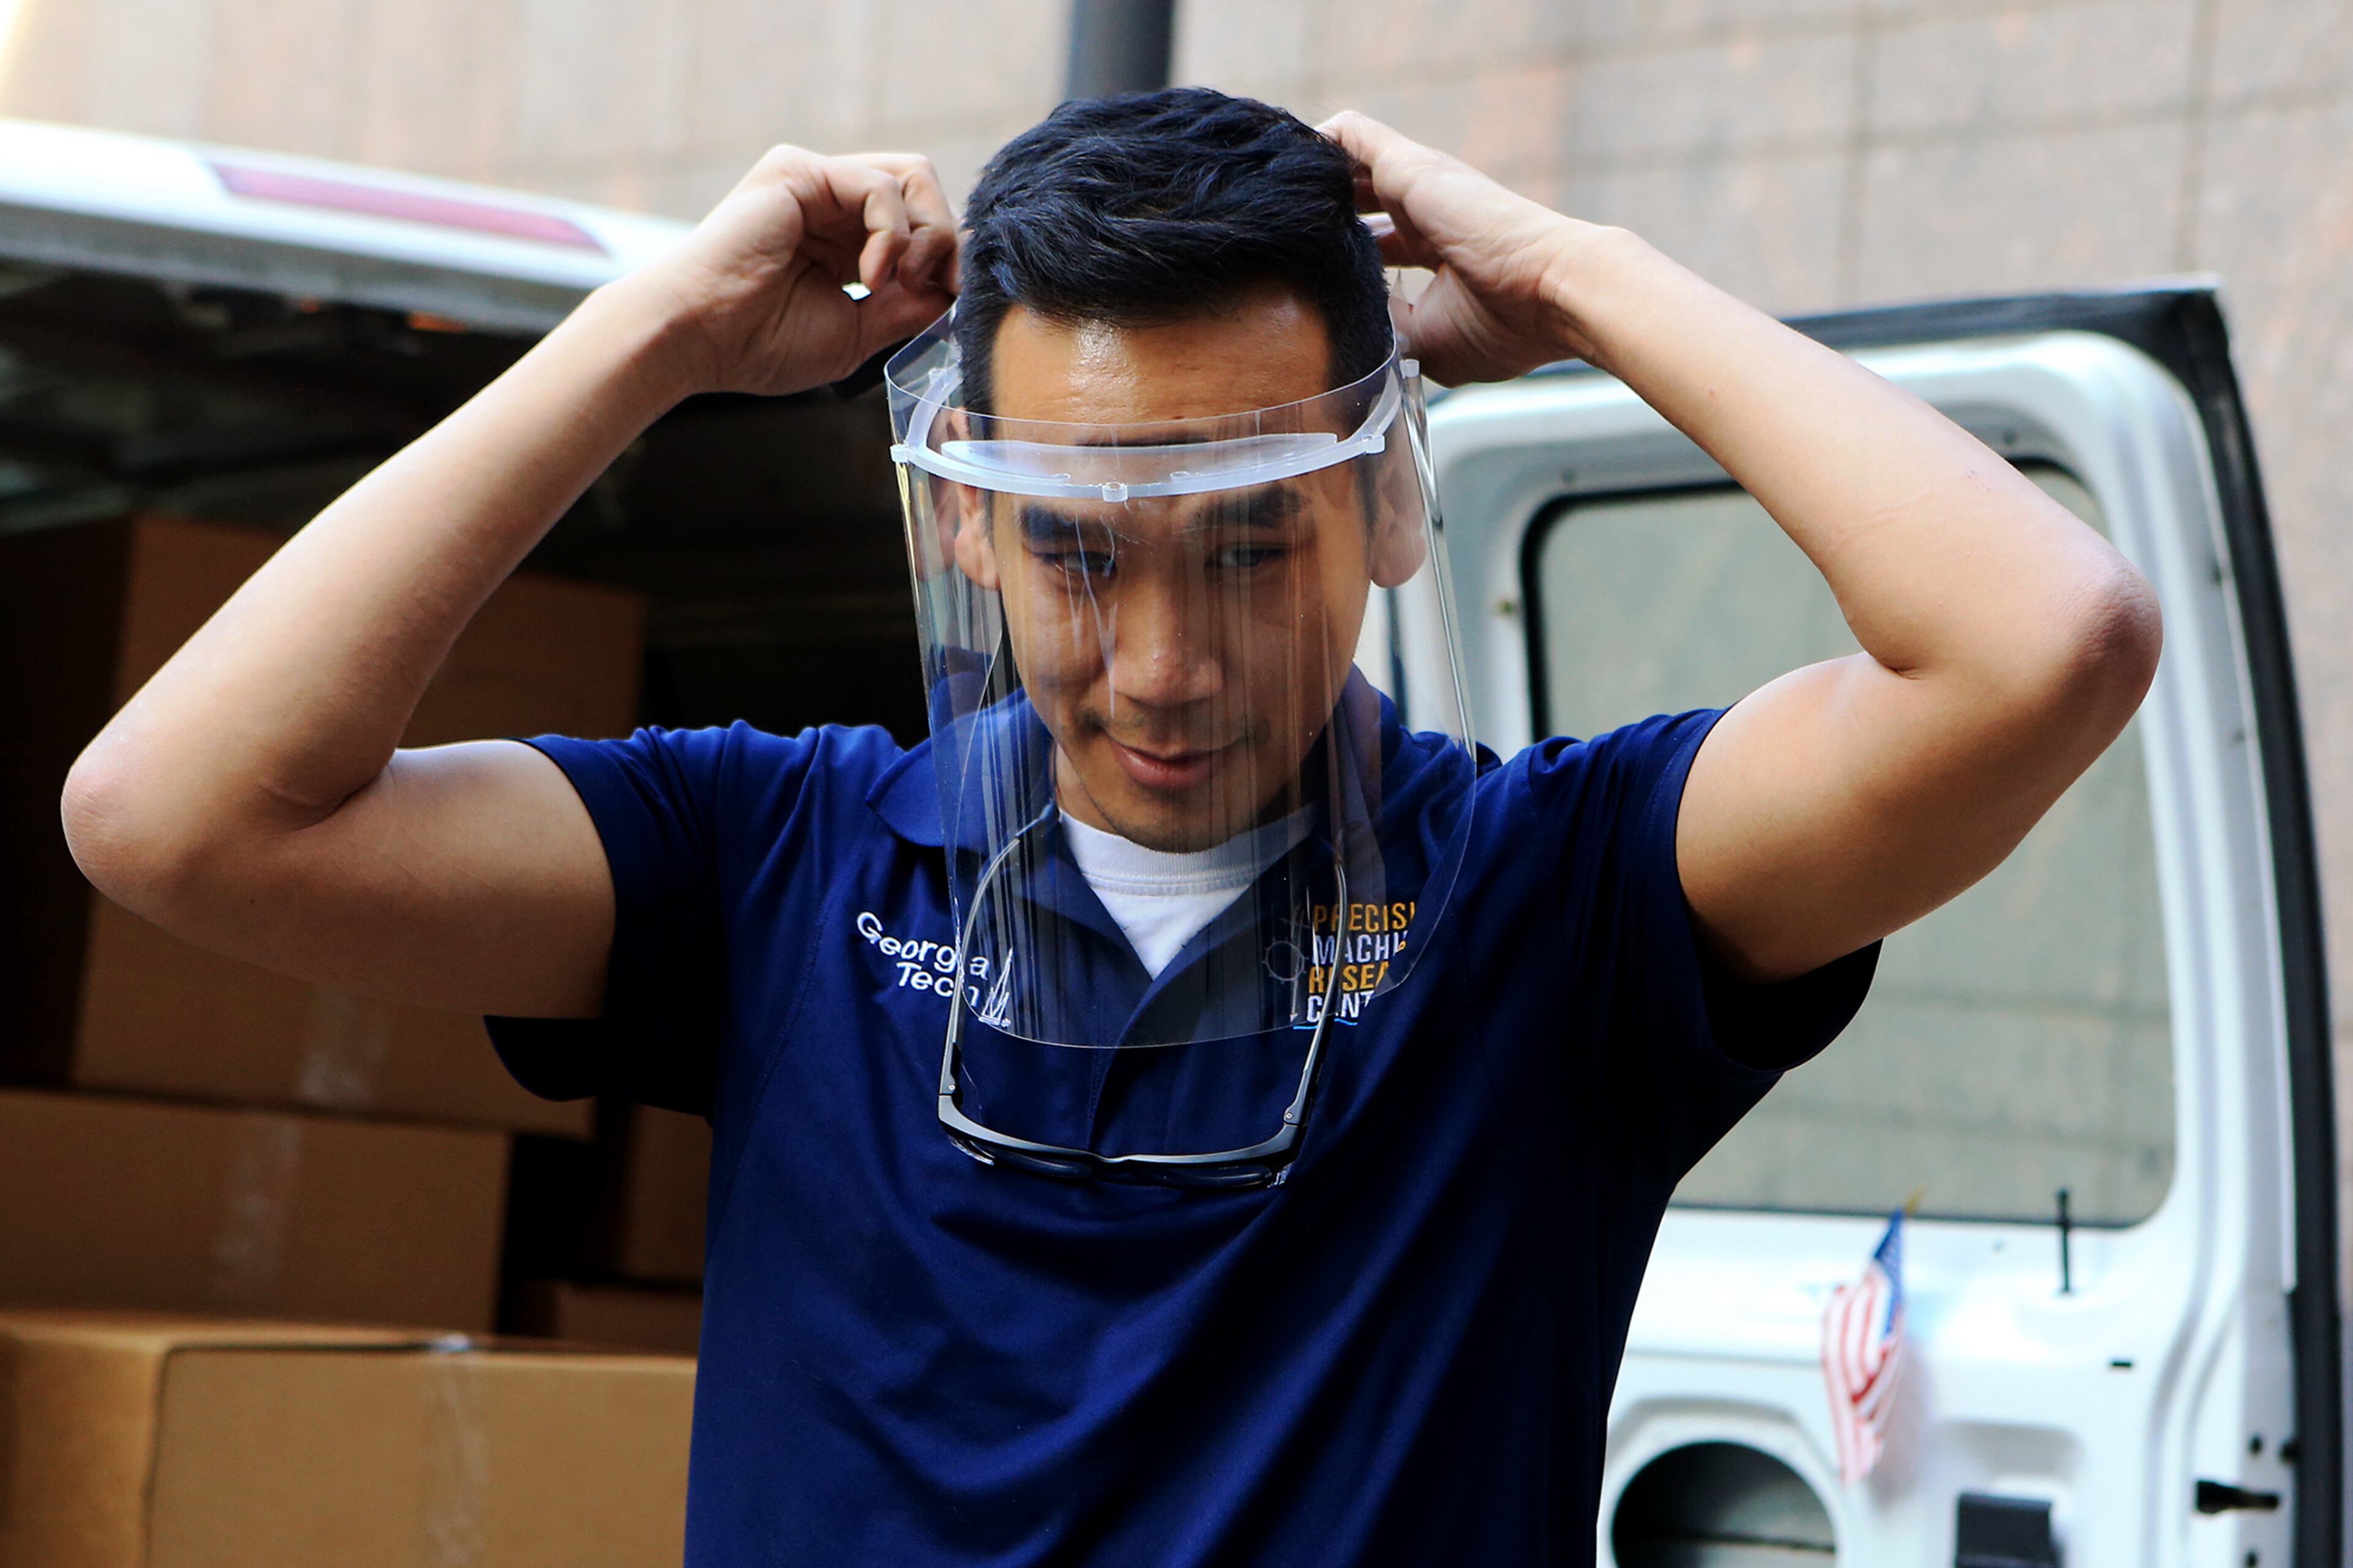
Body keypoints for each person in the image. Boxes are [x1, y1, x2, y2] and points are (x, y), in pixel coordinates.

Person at [61, 88, 2160, 1566]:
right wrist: (662, 339)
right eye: (1082, 554)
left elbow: (2045, 637)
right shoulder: (779, 865)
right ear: (965, 523)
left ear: (1390, 504)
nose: (1161, 660)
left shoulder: (1561, 903)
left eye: (1251, 551)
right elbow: (178, 815)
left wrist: (1579, 279)